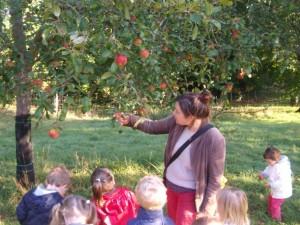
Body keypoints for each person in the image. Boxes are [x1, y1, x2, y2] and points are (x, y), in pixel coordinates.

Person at [115, 90, 226, 225]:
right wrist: (131, 120)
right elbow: (153, 126)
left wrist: (206, 213)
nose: (174, 114)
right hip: (170, 188)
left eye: (177, 111)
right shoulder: (178, 123)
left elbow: (215, 181)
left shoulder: (213, 138)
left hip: (190, 196)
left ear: (191, 116)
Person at [258, 146, 293, 221]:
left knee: (275, 205)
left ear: (276, 159)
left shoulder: (282, 168)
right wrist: (263, 174)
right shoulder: (273, 164)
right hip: (275, 190)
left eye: (269, 162)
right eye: (267, 161)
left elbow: (282, 182)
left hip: (281, 191)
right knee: (270, 199)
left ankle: (276, 219)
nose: (268, 163)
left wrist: (271, 184)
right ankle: (270, 212)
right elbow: (269, 170)